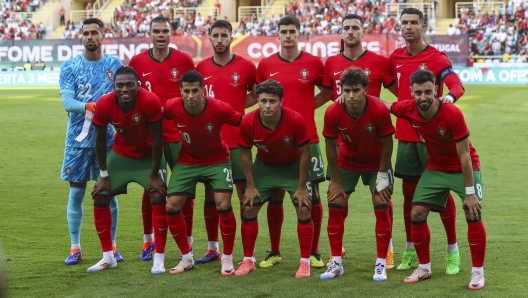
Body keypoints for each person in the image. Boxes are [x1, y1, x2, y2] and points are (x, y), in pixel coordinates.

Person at [386, 69, 486, 290]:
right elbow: (384, 106)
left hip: (463, 168)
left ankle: (478, 273)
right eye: (419, 92)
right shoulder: (407, 108)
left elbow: (465, 156)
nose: (423, 97)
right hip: (436, 168)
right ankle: (424, 268)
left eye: (428, 92)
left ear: (436, 91)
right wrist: (356, 96)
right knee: (417, 213)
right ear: (411, 92)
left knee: (473, 212)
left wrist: (470, 194)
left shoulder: (452, 113)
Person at [314, 13, 398, 268]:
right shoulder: (331, 62)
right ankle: (336, 251)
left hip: (375, 142)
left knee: (383, 198)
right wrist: (301, 110)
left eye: (355, 28)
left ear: (363, 32)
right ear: (341, 33)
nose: (350, 32)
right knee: (338, 196)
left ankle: (388, 250)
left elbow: (400, 92)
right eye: (346, 28)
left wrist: (403, 109)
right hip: (344, 143)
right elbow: (328, 93)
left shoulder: (380, 62)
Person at [390, 8, 465, 273]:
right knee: (409, 198)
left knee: (443, 196)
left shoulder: (437, 57)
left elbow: (456, 85)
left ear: (423, 26)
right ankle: (410, 249)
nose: (408, 27)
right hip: (407, 139)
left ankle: (452, 250)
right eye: (404, 23)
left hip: (434, 141)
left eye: (414, 23)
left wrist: (450, 98)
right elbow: (395, 90)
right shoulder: (395, 57)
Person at [255, 15, 326, 269]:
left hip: (308, 139)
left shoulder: (314, 63)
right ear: (278, 34)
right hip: (274, 141)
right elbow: (258, 96)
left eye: (292, 31)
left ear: (299, 34)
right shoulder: (265, 65)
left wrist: (308, 106)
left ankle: (315, 251)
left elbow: (327, 90)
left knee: (313, 196)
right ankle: (274, 251)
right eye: (283, 31)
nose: (287, 35)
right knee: (274, 195)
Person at [128, 16, 195, 262]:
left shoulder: (184, 60)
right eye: (156, 31)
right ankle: (148, 242)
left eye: (165, 31)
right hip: (150, 137)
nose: (160, 35)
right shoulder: (137, 61)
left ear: (171, 33)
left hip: (179, 135)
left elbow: (193, 94)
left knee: (184, 190)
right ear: (150, 34)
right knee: (151, 189)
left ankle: (187, 242)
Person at [194, 19, 260, 264]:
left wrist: (235, 108)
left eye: (224, 35)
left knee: (245, 196)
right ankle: (213, 248)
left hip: (238, 142)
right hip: (210, 144)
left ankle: (246, 253)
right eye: (216, 36)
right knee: (211, 197)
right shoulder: (201, 68)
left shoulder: (246, 66)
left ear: (231, 38)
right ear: (209, 39)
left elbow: (257, 94)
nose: (220, 40)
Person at [163, 70, 242, 275]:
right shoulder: (172, 106)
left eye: (195, 91)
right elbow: (154, 117)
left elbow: (244, 123)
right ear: (181, 91)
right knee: (171, 206)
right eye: (186, 91)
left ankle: (227, 257)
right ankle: (186, 257)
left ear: (203, 90)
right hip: (187, 161)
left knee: (223, 204)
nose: (190, 96)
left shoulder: (218, 108)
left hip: (217, 160)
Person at [91, 66, 168, 273]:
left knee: (158, 197)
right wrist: (104, 175)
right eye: (119, 85)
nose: (124, 89)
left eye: (129, 85)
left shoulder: (150, 100)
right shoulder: (105, 103)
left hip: (149, 156)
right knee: (100, 196)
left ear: (138, 86)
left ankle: (159, 257)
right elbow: (98, 141)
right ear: (113, 87)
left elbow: (158, 140)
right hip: (122, 155)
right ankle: (108, 256)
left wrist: (154, 175)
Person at [321, 68, 395, 281]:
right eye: (346, 90)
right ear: (341, 90)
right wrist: (335, 181)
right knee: (335, 205)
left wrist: (382, 176)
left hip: (377, 163)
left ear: (366, 89)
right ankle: (336, 262)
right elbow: (330, 148)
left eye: (355, 90)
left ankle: (381, 263)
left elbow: (388, 144)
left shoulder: (379, 109)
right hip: (347, 162)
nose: (351, 95)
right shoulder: (333, 111)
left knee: (381, 206)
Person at [234, 79, 314, 278]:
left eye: (272, 101)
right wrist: (250, 186)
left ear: (281, 102)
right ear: (258, 101)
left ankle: (305, 263)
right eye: (263, 101)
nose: (267, 105)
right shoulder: (249, 121)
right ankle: (248, 260)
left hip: (293, 167)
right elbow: (244, 153)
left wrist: (302, 186)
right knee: (249, 207)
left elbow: (306, 153)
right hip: (265, 166)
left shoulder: (295, 119)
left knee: (304, 209)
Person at [59, 17, 122, 266]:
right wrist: (96, 107)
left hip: (107, 141)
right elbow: (68, 103)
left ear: (103, 36)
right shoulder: (70, 66)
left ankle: (113, 247)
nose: (90, 37)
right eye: (86, 33)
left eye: (94, 33)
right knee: (76, 194)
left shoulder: (114, 65)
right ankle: (75, 247)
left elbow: (124, 96)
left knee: (108, 194)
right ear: (81, 36)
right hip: (77, 141)